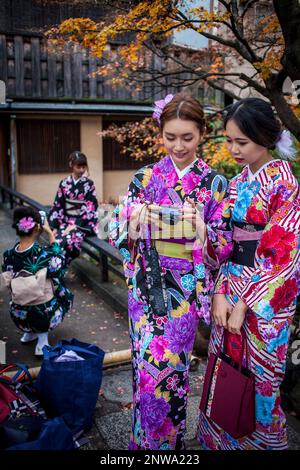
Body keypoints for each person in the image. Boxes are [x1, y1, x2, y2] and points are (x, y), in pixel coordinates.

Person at [109, 91, 233, 450]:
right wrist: (135, 219)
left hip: (182, 299)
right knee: (145, 377)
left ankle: (162, 447)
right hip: (145, 294)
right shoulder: (145, 177)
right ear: (160, 133)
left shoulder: (215, 184)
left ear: (202, 135)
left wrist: (202, 230)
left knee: (170, 379)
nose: (178, 146)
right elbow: (118, 231)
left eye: (188, 137)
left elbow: (225, 247)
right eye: (170, 137)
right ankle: (146, 445)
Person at [197, 97, 300, 450]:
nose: (233, 149)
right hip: (231, 286)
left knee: (261, 381)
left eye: (241, 142)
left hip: (264, 296)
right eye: (229, 141)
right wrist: (220, 293)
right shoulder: (238, 182)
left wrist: (244, 304)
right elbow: (224, 241)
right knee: (226, 371)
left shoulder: (285, 184)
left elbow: (283, 254)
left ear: (265, 137)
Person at [1, 206, 73, 356]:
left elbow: (7, 282)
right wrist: (50, 234)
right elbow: (60, 269)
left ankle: (29, 333)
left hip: (18, 314)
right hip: (43, 315)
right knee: (61, 289)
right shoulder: (44, 254)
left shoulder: (8, 255)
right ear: (37, 229)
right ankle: (42, 342)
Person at [48, 151, 99, 266]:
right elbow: (58, 204)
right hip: (65, 222)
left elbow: (90, 207)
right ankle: (55, 271)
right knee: (56, 242)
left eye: (84, 166)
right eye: (78, 166)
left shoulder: (89, 184)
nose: (81, 170)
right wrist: (54, 226)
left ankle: (57, 270)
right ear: (71, 165)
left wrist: (75, 225)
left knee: (69, 242)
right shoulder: (64, 183)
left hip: (82, 224)